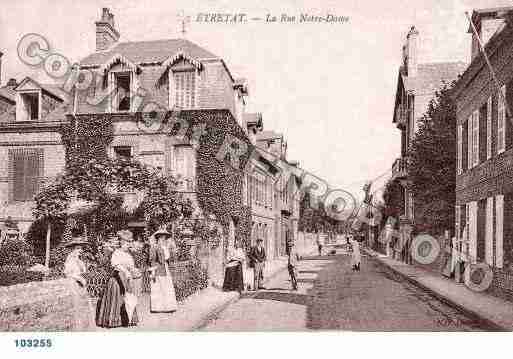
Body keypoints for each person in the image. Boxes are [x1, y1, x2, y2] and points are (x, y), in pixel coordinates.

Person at [96, 230, 140, 328]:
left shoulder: (128, 255)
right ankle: (114, 321)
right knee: (117, 297)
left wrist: (134, 270)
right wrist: (125, 271)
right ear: (122, 242)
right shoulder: (117, 253)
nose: (128, 245)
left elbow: (131, 266)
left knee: (128, 298)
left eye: (129, 242)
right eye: (127, 243)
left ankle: (128, 319)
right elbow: (116, 265)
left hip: (127, 280)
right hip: (117, 279)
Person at [148, 228, 178, 313]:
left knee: (166, 287)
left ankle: (168, 307)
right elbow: (152, 259)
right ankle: (157, 307)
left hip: (165, 268)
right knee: (158, 287)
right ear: (158, 238)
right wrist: (153, 270)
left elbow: (167, 258)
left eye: (164, 238)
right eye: (161, 238)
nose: (163, 240)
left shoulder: (165, 247)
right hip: (158, 269)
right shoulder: (154, 247)